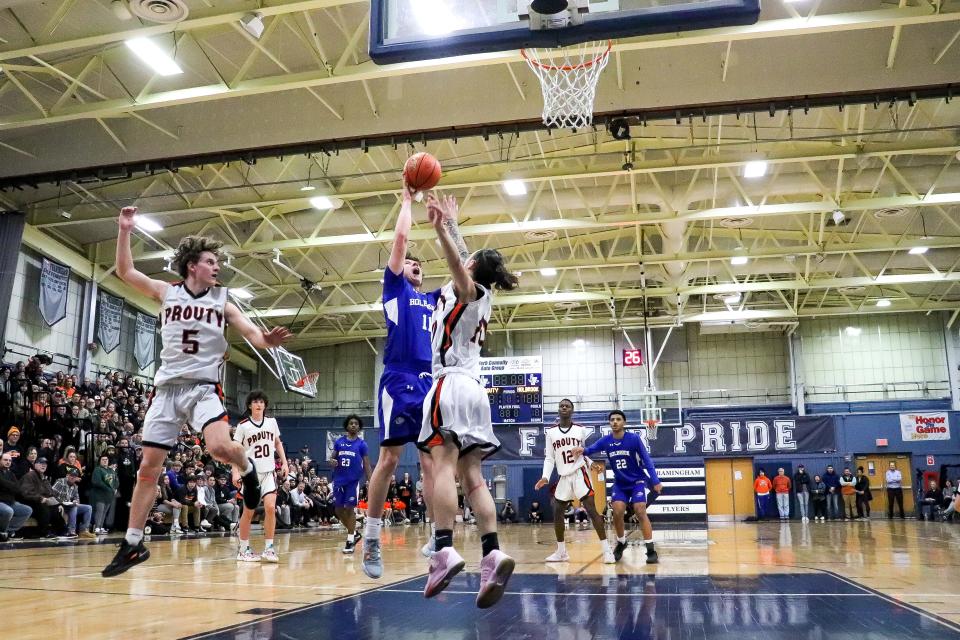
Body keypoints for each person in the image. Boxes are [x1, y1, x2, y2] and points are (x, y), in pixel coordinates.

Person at [102, 206, 291, 578]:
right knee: (146, 470)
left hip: (204, 388)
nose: (216, 266)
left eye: (217, 262)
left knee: (219, 448)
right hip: (167, 390)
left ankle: (246, 464)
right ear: (192, 265)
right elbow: (126, 272)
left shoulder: (224, 302)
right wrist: (125, 230)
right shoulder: (166, 292)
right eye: (210, 261)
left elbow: (254, 335)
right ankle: (132, 543)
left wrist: (267, 340)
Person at [414, 193, 519, 608]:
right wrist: (454, 226)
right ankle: (492, 553)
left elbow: (459, 264)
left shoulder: (466, 287)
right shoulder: (483, 294)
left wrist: (441, 227)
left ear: (473, 267)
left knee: (441, 464)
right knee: (471, 475)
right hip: (476, 390)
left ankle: (443, 548)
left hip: (451, 383)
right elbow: (465, 257)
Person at [364, 178, 467, 577]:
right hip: (399, 379)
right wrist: (407, 201)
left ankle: (437, 536)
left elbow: (462, 268)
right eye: (410, 262)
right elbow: (402, 240)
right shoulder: (395, 291)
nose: (414, 263)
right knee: (389, 459)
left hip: (431, 383)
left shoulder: (434, 299)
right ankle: (371, 538)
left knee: (432, 463)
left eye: (419, 264)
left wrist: (451, 226)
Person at [579, 409, 663, 565]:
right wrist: (581, 450)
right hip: (620, 483)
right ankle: (621, 542)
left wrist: (655, 480)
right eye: (612, 419)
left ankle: (650, 549)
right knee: (617, 511)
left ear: (624, 422)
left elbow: (647, 460)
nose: (615, 422)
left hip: (637, 481)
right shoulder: (606, 441)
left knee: (640, 510)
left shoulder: (634, 439)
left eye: (618, 419)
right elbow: (590, 450)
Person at [535, 398, 612, 563]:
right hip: (564, 476)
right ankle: (561, 552)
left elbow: (582, 452)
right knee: (557, 510)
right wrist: (545, 477)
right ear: (558, 410)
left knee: (591, 509)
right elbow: (549, 458)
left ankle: (607, 551)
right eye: (561, 405)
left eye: (567, 406)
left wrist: (591, 464)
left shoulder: (580, 430)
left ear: (572, 410)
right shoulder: (550, 432)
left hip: (579, 473)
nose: (564, 407)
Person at [232, 390, 289, 563]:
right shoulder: (243, 426)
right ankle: (243, 549)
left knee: (271, 508)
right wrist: (235, 471)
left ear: (265, 405)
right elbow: (235, 450)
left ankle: (269, 548)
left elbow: (277, 443)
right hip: (250, 474)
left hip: (269, 472)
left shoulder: (272, 422)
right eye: (255, 401)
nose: (259, 404)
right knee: (248, 512)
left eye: (261, 402)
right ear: (250, 405)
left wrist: (285, 463)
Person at [331, 414, 372, 554]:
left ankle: (349, 541)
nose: (353, 425)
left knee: (349, 509)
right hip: (338, 480)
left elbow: (366, 464)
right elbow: (332, 458)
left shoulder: (362, 444)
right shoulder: (339, 442)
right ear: (347, 426)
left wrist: (370, 481)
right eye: (351, 423)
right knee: (337, 510)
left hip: (353, 481)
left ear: (359, 427)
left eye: (356, 423)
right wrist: (332, 462)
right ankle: (354, 533)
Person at [18, 457, 60, 537]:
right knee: (43, 507)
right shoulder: (29, 476)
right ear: (35, 465)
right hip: (30, 503)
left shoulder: (44, 478)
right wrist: (40, 498)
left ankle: (62, 531)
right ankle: (44, 532)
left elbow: (51, 493)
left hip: (41, 502)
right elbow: (26, 493)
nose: (43, 465)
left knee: (56, 508)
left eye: (45, 464)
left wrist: (58, 503)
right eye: (41, 463)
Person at [52, 468, 94, 539]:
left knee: (88, 507)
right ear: (67, 475)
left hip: (68, 505)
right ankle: (71, 531)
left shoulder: (75, 486)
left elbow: (77, 499)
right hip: (58, 505)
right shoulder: (60, 482)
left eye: (75, 476)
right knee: (73, 507)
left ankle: (84, 530)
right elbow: (51, 494)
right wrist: (59, 503)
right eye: (71, 475)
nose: (73, 477)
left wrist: (75, 501)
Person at [0, 451, 32, 541]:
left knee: (27, 510)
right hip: (1, 502)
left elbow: (18, 489)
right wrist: (10, 486)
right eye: (5, 460)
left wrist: (5, 485)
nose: (8, 462)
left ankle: (7, 530)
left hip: (10, 501)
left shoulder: (11, 474)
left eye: (10, 460)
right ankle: (2, 531)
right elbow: (12, 486)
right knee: (8, 511)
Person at [90, 454, 119, 534]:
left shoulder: (111, 471)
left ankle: (100, 527)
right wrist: (109, 488)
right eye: (103, 459)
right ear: (99, 461)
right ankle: (96, 527)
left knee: (104, 512)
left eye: (106, 459)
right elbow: (97, 482)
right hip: (99, 495)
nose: (105, 461)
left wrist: (115, 487)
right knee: (99, 511)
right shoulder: (98, 469)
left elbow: (116, 481)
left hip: (109, 496)